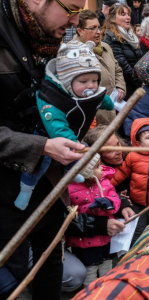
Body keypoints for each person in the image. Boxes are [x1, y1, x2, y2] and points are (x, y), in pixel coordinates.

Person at [0, 0, 86, 295]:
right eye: (72, 9)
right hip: (5, 201)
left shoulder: (50, 37)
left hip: (48, 188)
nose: (77, 21)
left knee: (50, 269)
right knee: (15, 284)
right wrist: (43, 146)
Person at [15, 40, 114, 225]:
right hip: (47, 138)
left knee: (73, 158)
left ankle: (71, 170)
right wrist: (76, 148)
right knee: (40, 164)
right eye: (83, 81)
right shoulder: (52, 100)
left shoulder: (89, 91)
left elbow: (103, 99)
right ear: (67, 82)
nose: (91, 86)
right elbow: (57, 128)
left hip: (73, 138)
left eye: (94, 80)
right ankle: (26, 189)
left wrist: (111, 103)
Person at [67, 154, 123, 287]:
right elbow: (72, 214)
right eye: (97, 167)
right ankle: (90, 291)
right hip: (85, 241)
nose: (102, 169)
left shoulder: (105, 183)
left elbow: (116, 199)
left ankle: (107, 288)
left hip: (106, 237)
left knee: (107, 265)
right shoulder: (70, 189)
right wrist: (88, 208)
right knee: (90, 270)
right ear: (85, 173)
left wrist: (109, 203)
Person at [74, 9, 126, 125]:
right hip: (91, 115)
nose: (98, 32)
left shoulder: (106, 47)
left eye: (99, 27)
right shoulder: (73, 53)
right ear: (80, 31)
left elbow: (117, 69)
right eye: (92, 28)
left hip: (112, 110)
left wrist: (120, 86)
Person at [102, 4, 143, 100]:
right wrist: (139, 81)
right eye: (123, 14)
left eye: (128, 14)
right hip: (124, 88)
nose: (128, 17)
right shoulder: (110, 37)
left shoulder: (131, 36)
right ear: (112, 19)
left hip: (134, 86)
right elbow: (122, 64)